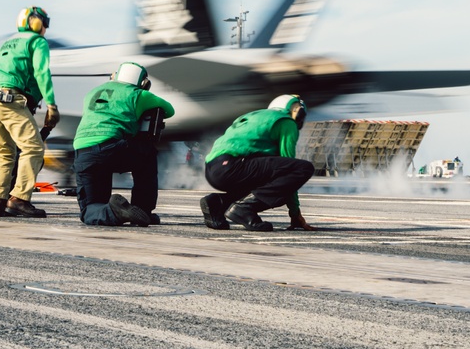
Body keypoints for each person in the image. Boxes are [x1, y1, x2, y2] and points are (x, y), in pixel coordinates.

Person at [72, 62, 175, 227]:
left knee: (91, 208)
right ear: (144, 84)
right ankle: (142, 210)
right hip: (113, 149)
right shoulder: (138, 94)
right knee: (148, 154)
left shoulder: (91, 93)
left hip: (83, 154)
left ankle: (113, 211)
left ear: (113, 76)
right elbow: (169, 110)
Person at [0, 6, 59, 218]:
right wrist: (51, 105)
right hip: (9, 98)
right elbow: (42, 72)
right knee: (33, 149)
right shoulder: (37, 41)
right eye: (45, 23)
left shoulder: (7, 43)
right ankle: (19, 199)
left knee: (5, 153)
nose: (45, 28)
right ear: (36, 22)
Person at [200, 95, 315, 232]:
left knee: (265, 181)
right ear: (297, 111)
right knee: (303, 168)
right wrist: (295, 213)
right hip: (233, 165)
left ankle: (218, 203)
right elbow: (290, 166)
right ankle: (245, 209)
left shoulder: (254, 116)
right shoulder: (286, 121)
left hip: (214, 169)